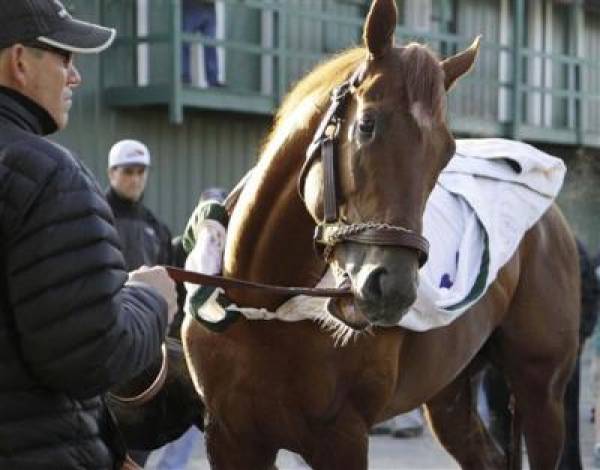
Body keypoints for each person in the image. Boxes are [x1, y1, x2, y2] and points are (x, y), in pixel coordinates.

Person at [0, 1, 179, 469]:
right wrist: (151, 300)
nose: (75, 77)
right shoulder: (48, 174)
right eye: (65, 58)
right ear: (19, 61)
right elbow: (91, 355)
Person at [149, 187, 228, 470]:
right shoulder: (179, 248)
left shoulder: (236, 256)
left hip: (226, 356)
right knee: (182, 427)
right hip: (187, 351)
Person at [106, 139, 173, 271]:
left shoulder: (158, 228)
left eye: (141, 172)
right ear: (111, 173)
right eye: (128, 172)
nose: (135, 180)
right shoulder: (93, 217)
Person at [181, 0, 224, 87]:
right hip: (192, 7)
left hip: (207, 7)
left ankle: (212, 79)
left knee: (210, 44)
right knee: (184, 43)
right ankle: (184, 76)